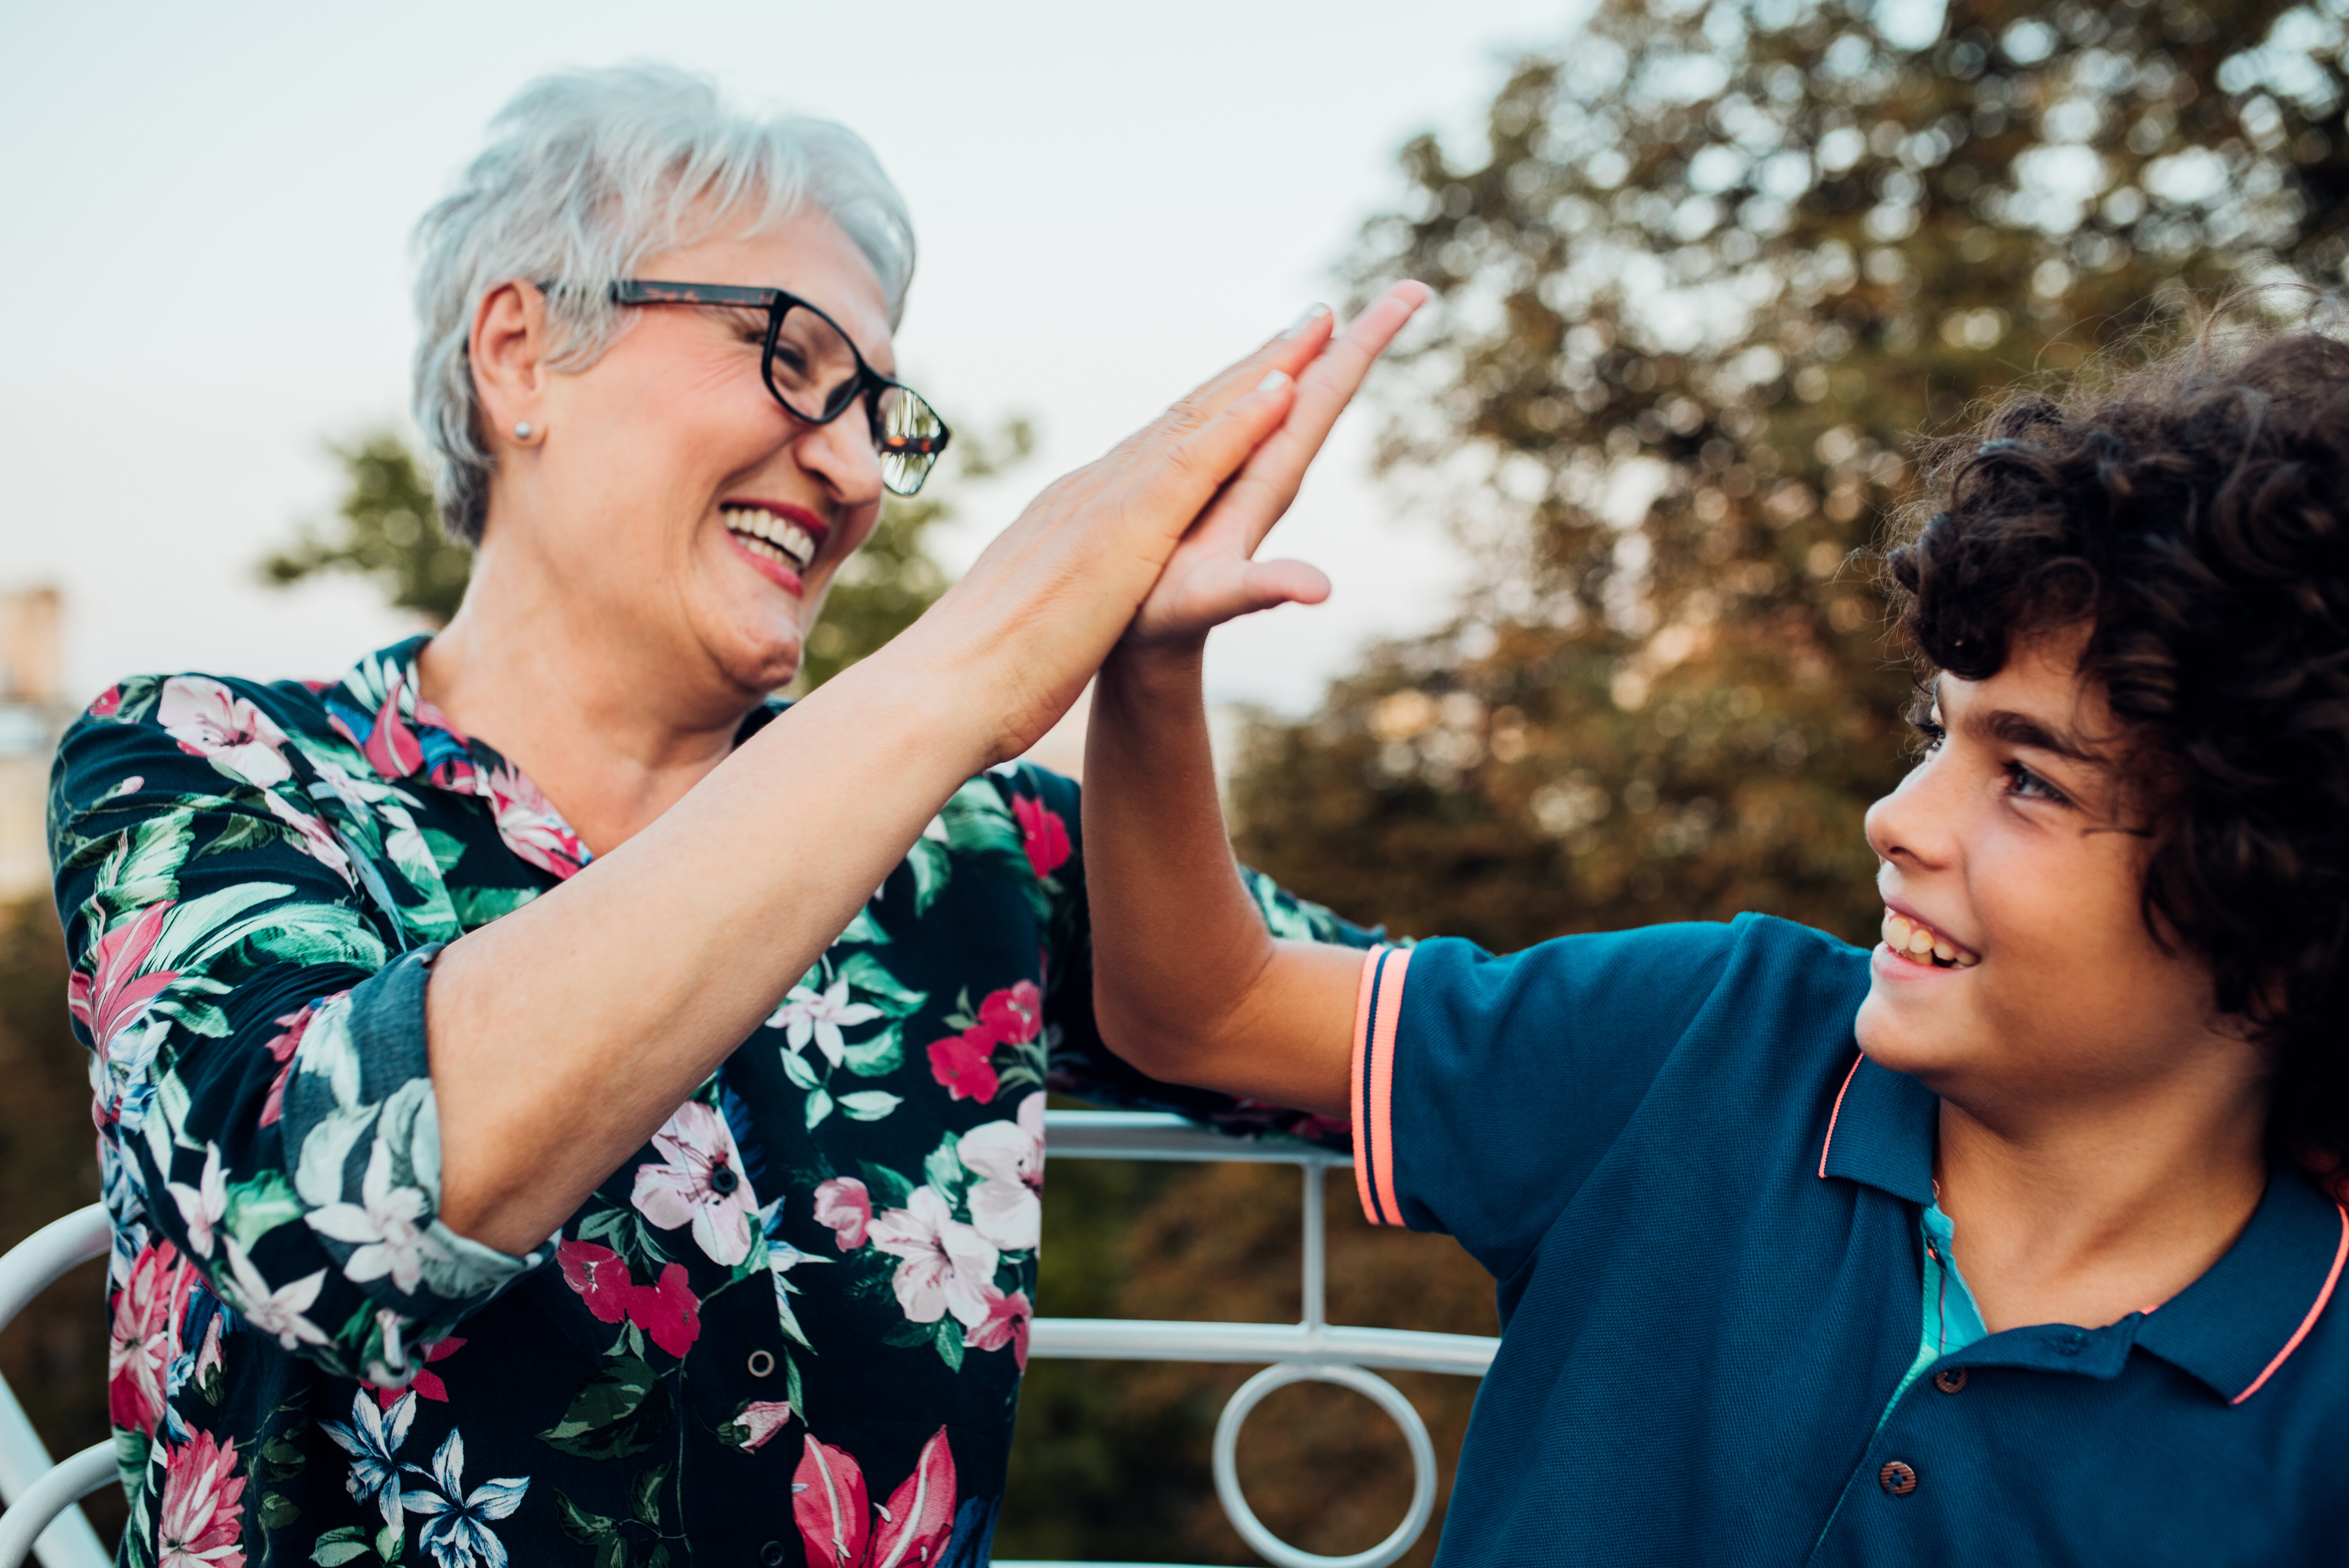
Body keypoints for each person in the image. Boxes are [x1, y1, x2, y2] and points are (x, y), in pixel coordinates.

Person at [50, 64, 1427, 1568]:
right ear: (519, 354)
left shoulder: (976, 852)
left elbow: (1399, 1051)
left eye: (876, 411)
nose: (850, 468)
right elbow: (326, 1226)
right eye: (792, 357)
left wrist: (1149, 665)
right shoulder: (207, 766)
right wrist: (974, 659)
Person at [1083, 318, 2349, 1562]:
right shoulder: (1707, 1034)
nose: (1895, 820)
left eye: (2029, 779)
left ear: (2280, 901)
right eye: (1934, 733)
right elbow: (1204, 1010)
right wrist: (1151, 664)